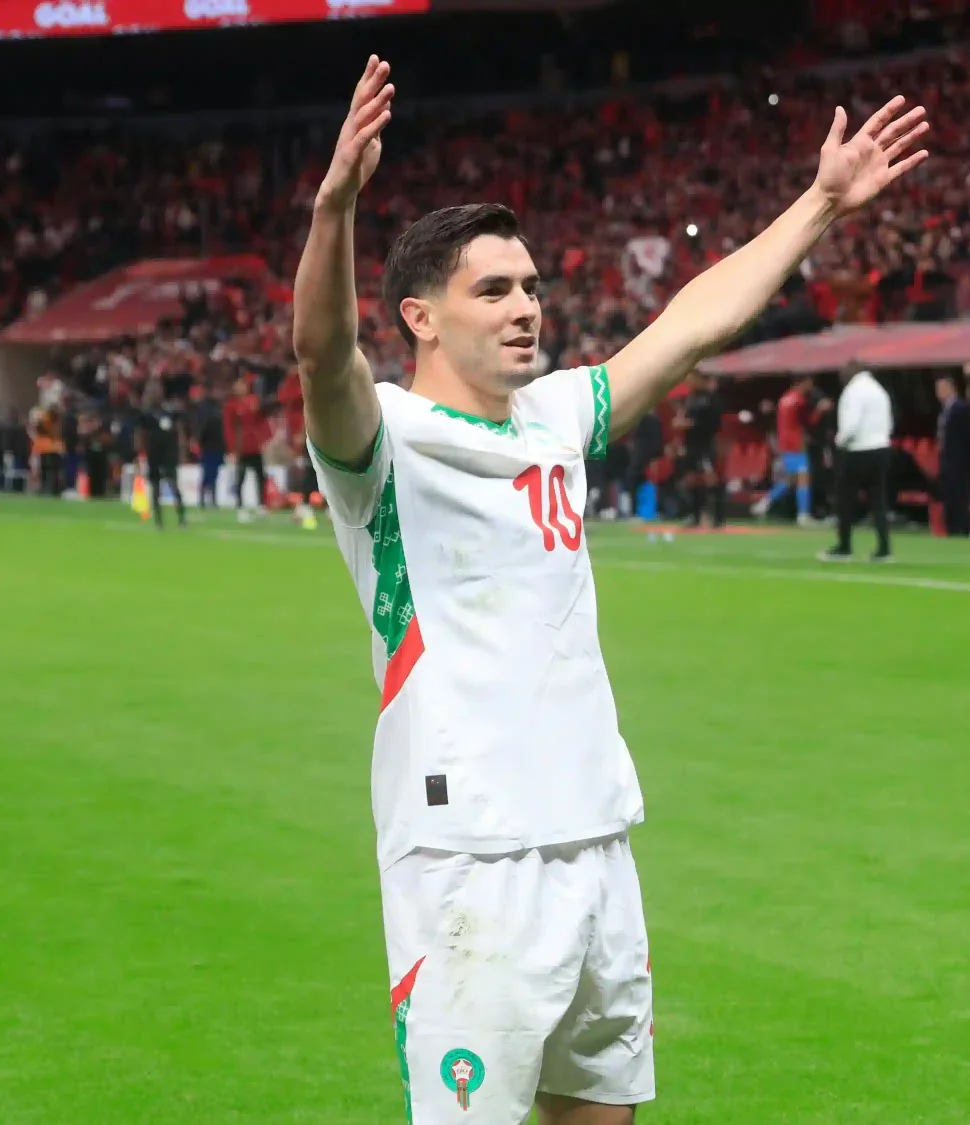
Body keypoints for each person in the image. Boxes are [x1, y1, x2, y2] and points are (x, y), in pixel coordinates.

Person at [293, 57, 925, 1125]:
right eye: (492, 289)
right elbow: (318, 352)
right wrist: (335, 205)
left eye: (532, 285)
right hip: (470, 861)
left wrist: (817, 203)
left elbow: (691, 325)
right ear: (419, 318)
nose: (525, 307)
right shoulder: (382, 445)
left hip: (593, 835)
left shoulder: (556, 417)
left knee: (602, 1117)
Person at [820, 365, 895, 562]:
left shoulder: (853, 391)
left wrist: (839, 442)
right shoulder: (879, 390)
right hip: (881, 447)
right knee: (878, 500)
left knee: (845, 499)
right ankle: (884, 549)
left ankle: (844, 547)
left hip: (858, 449)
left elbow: (850, 425)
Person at [751, 376, 814, 523]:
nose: (811, 387)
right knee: (803, 478)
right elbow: (808, 422)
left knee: (792, 479)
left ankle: (763, 503)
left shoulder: (784, 399)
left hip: (786, 443)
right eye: (809, 383)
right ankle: (803, 515)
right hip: (795, 444)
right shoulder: (798, 401)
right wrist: (820, 411)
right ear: (802, 383)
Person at [675, 372, 725, 529]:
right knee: (691, 481)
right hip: (691, 446)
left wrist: (690, 424)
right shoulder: (690, 399)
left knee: (711, 480)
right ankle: (695, 516)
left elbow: (714, 424)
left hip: (705, 445)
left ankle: (717, 517)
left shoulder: (711, 399)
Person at [138, 387, 187, 529]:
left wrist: (182, 450)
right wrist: (141, 452)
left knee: (173, 485)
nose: (155, 395)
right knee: (155, 488)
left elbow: (180, 430)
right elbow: (141, 434)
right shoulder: (146, 415)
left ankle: (182, 518)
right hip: (154, 454)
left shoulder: (171, 412)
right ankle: (159, 520)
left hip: (169, 454)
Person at [933, 374, 970, 537]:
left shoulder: (961, 408)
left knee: (960, 495)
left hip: (958, 461)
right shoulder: (944, 410)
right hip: (946, 459)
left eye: (941, 389)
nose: (938, 393)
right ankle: (951, 528)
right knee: (949, 495)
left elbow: (967, 437)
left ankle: (963, 528)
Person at [226, 378, 273, 521]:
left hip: (255, 446)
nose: (242, 388)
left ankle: (261, 505)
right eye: (239, 386)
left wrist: (265, 439)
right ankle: (240, 507)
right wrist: (232, 450)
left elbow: (261, 421)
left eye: (243, 385)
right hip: (241, 448)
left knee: (260, 476)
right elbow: (229, 428)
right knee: (240, 478)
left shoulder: (253, 401)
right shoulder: (231, 406)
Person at [192, 383, 226, 509]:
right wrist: (199, 441)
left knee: (214, 474)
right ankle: (203, 499)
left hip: (217, 446)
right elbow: (200, 427)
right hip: (208, 446)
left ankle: (211, 499)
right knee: (208, 473)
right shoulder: (204, 408)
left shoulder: (217, 407)